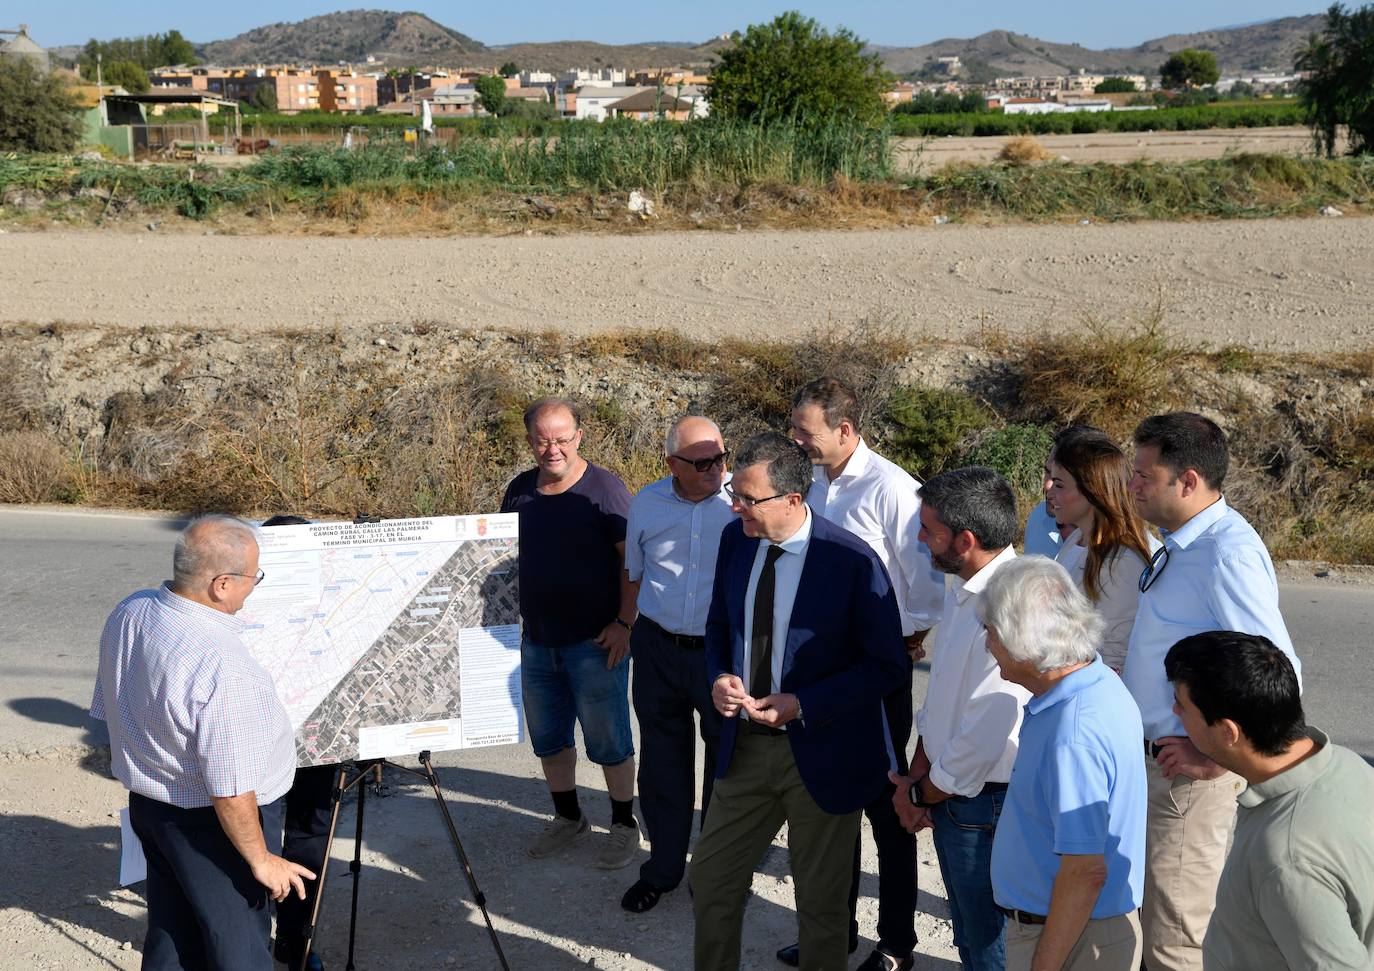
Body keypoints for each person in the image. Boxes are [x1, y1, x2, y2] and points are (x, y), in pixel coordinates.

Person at [689, 433, 907, 971]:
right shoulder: (734, 540)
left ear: (793, 498)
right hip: (744, 749)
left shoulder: (852, 562)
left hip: (821, 752)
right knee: (712, 879)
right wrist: (719, 675)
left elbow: (887, 667)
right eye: (734, 494)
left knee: (822, 905)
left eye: (748, 497)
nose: (735, 505)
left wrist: (803, 703)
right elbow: (719, 623)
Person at [91, 515, 313, 971]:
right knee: (238, 949)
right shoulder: (220, 665)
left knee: (173, 934)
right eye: (255, 577)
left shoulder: (130, 611)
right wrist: (261, 860)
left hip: (153, 809)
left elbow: (108, 706)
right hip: (216, 827)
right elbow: (230, 788)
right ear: (222, 584)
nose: (256, 587)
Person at [1123, 411, 1301, 971]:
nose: (1133, 485)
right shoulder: (1181, 542)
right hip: (1153, 768)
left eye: (1145, 476)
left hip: (1184, 780)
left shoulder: (1226, 554)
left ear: (1189, 481)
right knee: (1149, 923)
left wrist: (1213, 756)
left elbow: (1277, 672)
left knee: (1174, 940)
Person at [782, 376, 945, 971]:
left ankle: (897, 943)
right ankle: (835, 931)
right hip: (823, 670)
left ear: (846, 430)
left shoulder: (894, 491)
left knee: (884, 799)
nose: (797, 441)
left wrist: (902, 645)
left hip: (877, 671)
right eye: (795, 429)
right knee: (830, 795)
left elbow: (927, 588)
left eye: (808, 432)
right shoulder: (814, 482)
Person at [890, 466, 1031, 971]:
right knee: (969, 932)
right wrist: (919, 771)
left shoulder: (1011, 605)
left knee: (987, 939)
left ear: (965, 539)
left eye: (929, 530)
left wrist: (921, 794)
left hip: (979, 801)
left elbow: (987, 728)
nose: (921, 539)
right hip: (953, 790)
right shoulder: (965, 587)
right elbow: (943, 703)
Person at [1165, 631, 1374, 971]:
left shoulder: (1285, 858)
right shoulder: (1347, 765)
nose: (1174, 710)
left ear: (1228, 732)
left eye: (1182, 705)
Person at [979, 557, 1146, 971]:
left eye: (992, 632)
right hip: (1083, 930)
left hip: (1071, 939)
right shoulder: (1097, 679)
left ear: (1023, 642)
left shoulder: (1073, 735)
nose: (987, 645)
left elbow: (1085, 870)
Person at [499, 396, 642, 870]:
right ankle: (569, 817)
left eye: (562, 438)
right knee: (549, 739)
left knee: (609, 741)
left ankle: (624, 825)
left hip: (595, 642)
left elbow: (632, 564)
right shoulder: (519, 490)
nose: (552, 449)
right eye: (543, 440)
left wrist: (624, 624)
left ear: (579, 436)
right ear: (529, 442)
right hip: (537, 643)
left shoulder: (605, 490)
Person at [619, 415, 733, 913]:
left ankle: (714, 871)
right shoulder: (646, 502)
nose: (716, 469)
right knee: (663, 765)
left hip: (720, 654)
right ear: (672, 464)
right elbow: (635, 574)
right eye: (702, 462)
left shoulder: (742, 504)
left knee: (725, 768)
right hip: (659, 647)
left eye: (721, 458)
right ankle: (662, 870)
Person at [260, 514, 332, 971]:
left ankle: (295, 939)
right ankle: (246, 937)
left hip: (318, 742)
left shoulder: (332, 600)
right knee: (258, 837)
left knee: (309, 836)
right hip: (260, 748)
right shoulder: (239, 607)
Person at [1046, 436, 1155, 673]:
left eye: (1060, 484)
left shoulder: (1121, 563)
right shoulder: (1076, 541)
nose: (1050, 492)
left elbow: (1112, 660)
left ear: (1092, 491)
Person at [1024, 426, 1110, 558]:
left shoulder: (1128, 555)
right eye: (1047, 472)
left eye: (1060, 480)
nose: (1047, 485)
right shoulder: (1038, 517)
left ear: (1092, 483)